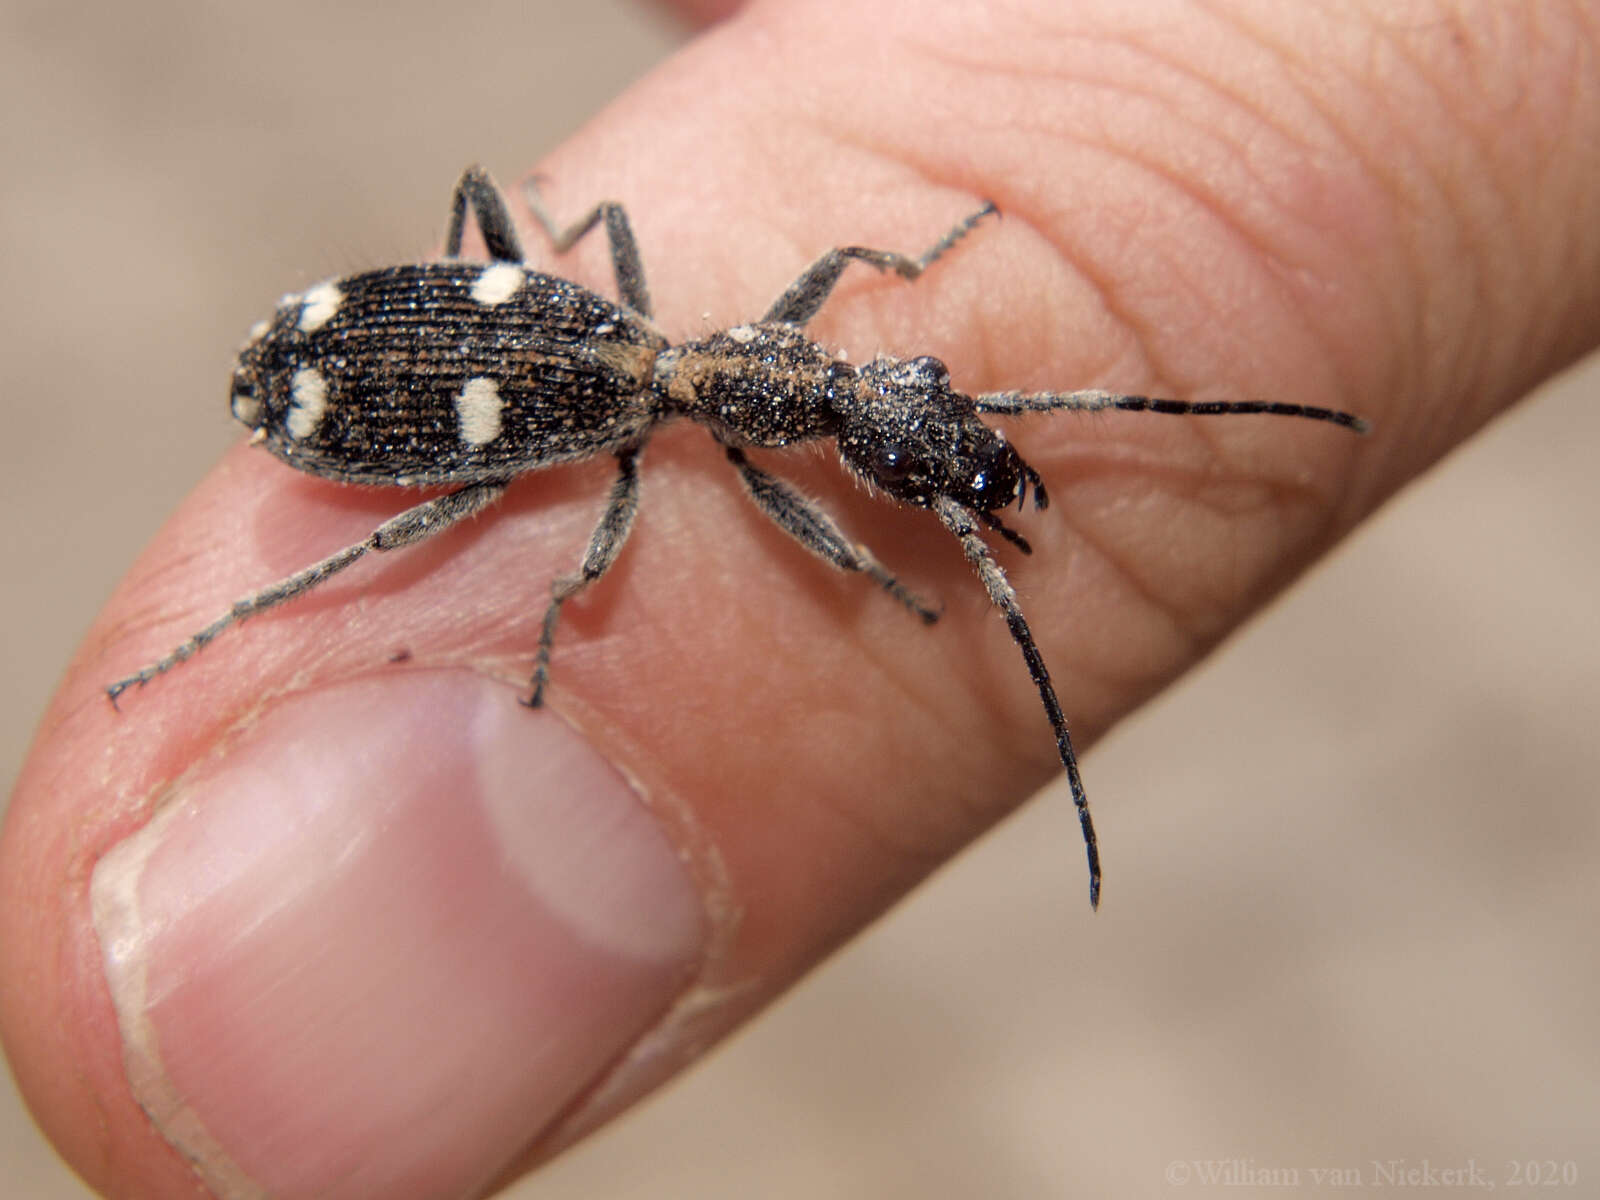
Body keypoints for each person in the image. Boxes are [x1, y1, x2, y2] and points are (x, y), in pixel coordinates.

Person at [3, 1, 1597, 1196]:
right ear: (812, 406)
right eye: (884, 432)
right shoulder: (675, 447)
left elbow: (828, 352)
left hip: (459, 333)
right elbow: (749, 540)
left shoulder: (717, 385)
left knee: (503, 389)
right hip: (377, 384)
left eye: (887, 422)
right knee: (419, 537)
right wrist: (584, 623)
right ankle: (233, 630)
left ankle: (259, 601)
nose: (887, 447)